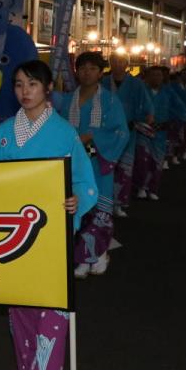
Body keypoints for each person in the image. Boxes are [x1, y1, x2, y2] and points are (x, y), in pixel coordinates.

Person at [0, 59, 97, 370]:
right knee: (20, 304)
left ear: (48, 88)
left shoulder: (65, 132)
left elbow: (83, 181)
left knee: (51, 302)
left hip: (50, 231)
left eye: (33, 84)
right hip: (15, 233)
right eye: (19, 84)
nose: (25, 91)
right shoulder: (6, 130)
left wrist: (75, 200)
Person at [55, 52, 128, 277]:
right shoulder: (67, 100)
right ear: (76, 72)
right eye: (82, 68)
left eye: (92, 68)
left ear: (100, 72)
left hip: (98, 163)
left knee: (98, 211)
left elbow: (121, 132)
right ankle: (84, 257)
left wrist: (92, 136)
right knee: (78, 209)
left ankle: (99, 254)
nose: (87, 72)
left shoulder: (110, 100)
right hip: (73, 164)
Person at [103, 53, 153, 217]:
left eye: (121, 61)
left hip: (127, 133)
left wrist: (149, 116)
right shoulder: (103, 82)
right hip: (104, 133)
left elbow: (147, 105)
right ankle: (103, 202)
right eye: (114, 61)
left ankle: (118, 203)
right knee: (104, 167)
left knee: (124, 168)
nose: (117, 64)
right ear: (110, 63)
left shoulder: (136, 84)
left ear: (126, 64)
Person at [134, 67, 186, 201]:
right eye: (153, 75)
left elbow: (179, 107)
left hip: (161, 132)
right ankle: (141, 187)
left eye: (159, 75)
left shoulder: (168, 92)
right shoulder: (141, 91)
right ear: (147, 77)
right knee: (142, 159)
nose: (156, 78)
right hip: (143, 131)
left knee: (157, 162)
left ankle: (153, 188)